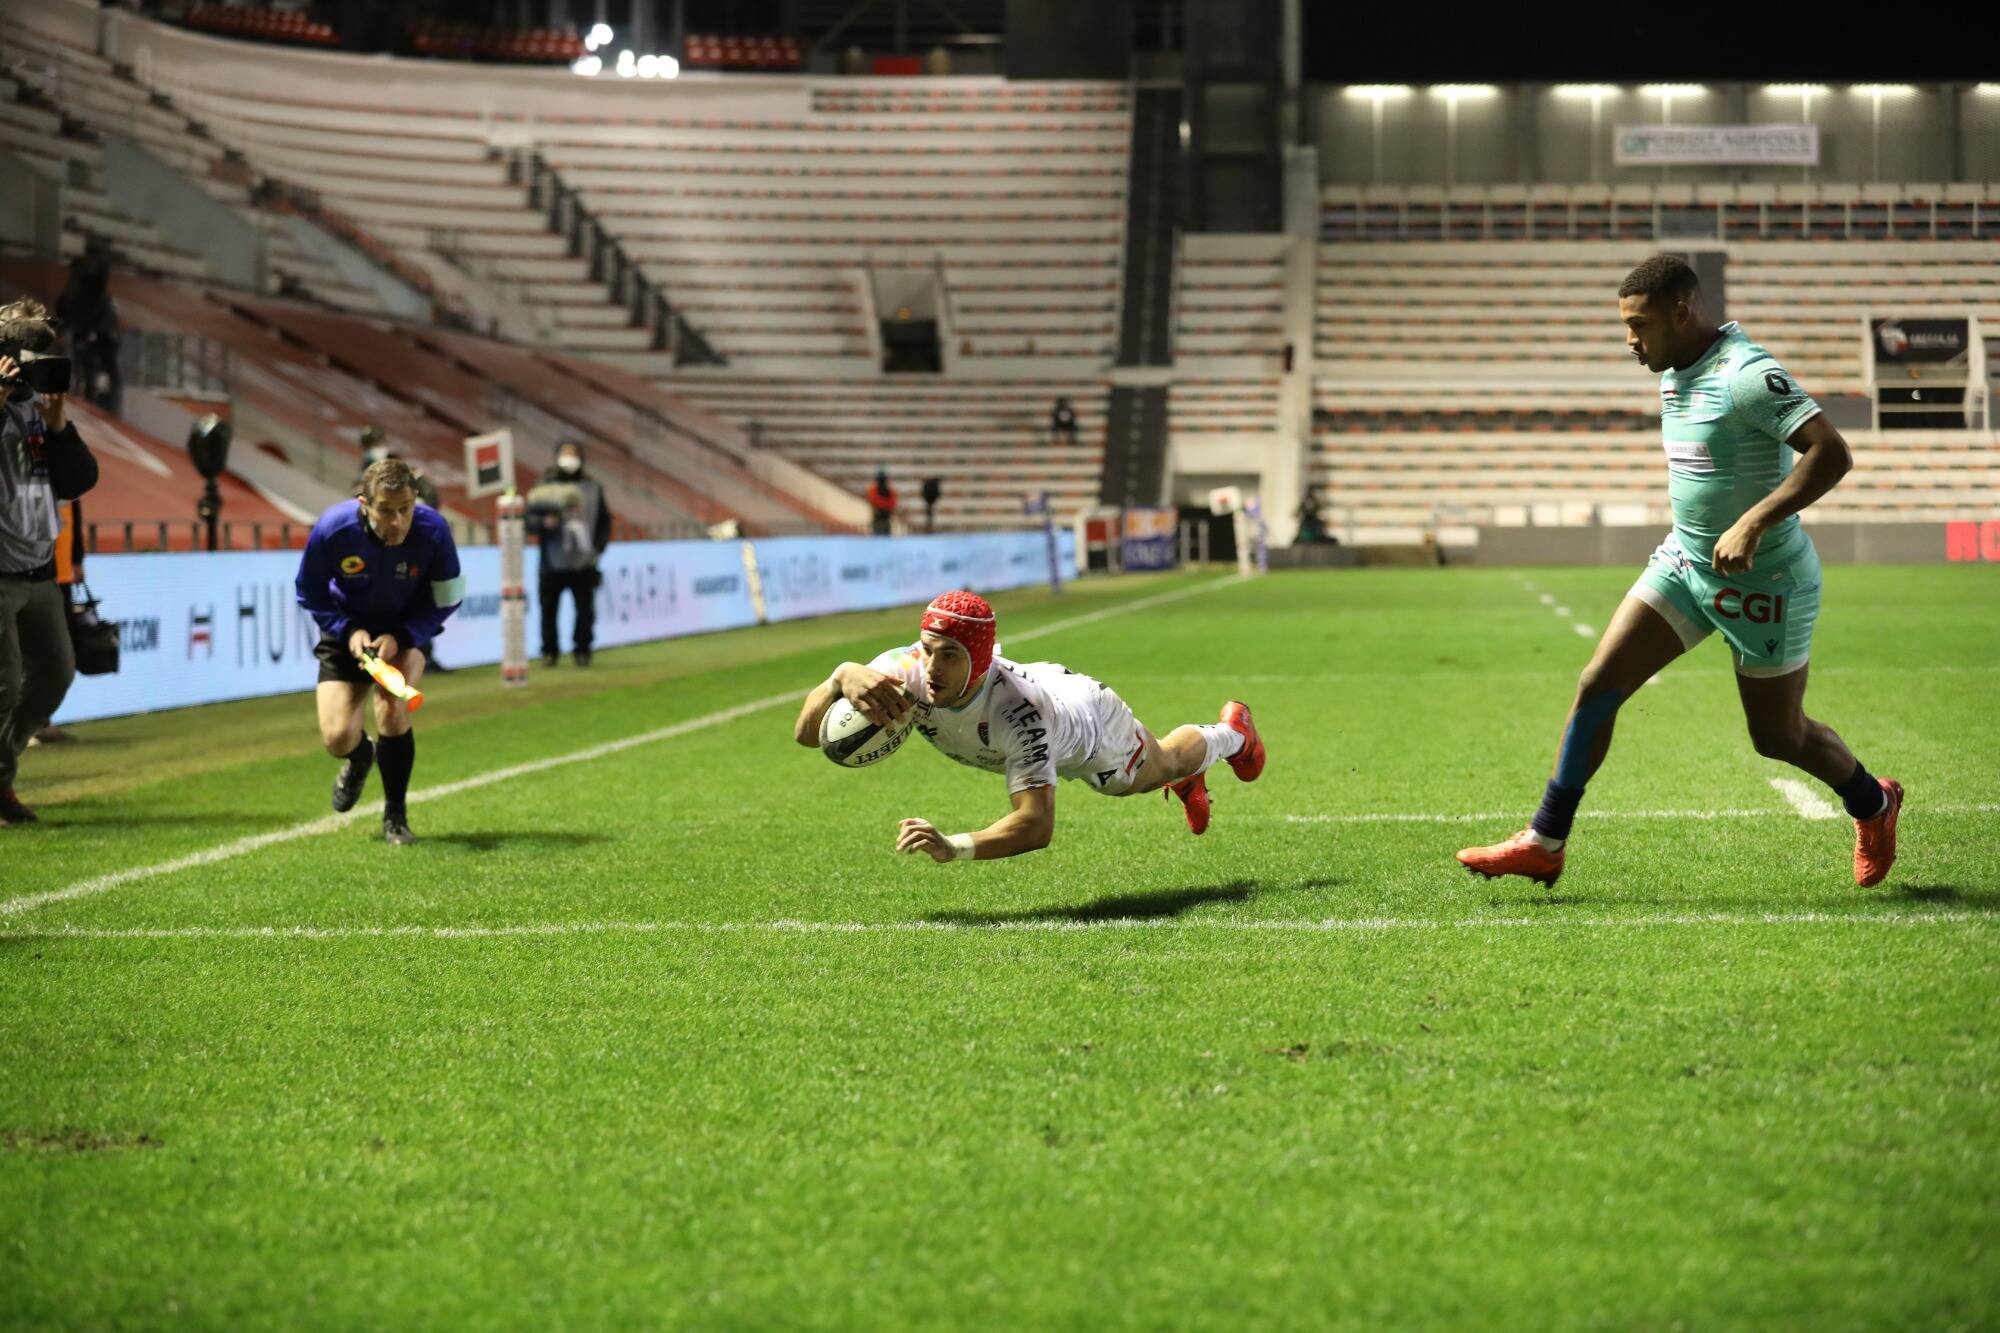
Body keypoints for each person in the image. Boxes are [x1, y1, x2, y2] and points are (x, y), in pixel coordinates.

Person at [1456, 254, 1901, 890]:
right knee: (1598, 683)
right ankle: (1545, 840)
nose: (1630, 342)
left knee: (1778, 736)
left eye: (1639, 326)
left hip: (1765, 582)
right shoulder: (1672, 369)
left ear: (1681, 312)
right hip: (1686, 564)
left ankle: (1874, 803)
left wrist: (1753, 522)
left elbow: (1831, 452)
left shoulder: (1747, 373)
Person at [792, 590, 1268, 860]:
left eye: (950, 655)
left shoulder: (1021, 716)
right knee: (1154, 772)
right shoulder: (900, 671)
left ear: (978, 660)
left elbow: (1036, 825)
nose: (932, 666)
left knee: (1151, 771)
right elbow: (807, 734)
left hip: (1088, 724)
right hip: (1031, 684)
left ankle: (1235, 734)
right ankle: (1197, 772)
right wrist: (838, 678)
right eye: (928, 648)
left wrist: (953, 845)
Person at [294, 457, 464, 845]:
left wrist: (403, 636)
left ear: (415, 500)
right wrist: (348, 630)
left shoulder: (434, 530)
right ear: (364, 504)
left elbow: (448, 598)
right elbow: (309, 591)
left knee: (391, 700)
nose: (397, 521)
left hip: (404, 633)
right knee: (337, 737)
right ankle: (359, 757)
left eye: (405, 509)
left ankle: (396, 818)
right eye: (386, 510)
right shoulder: (332, 530)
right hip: (347, 635)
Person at [0, 299, 98, 824]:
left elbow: (80, 480)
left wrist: (58, 425)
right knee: (6, 683)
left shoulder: (38, 414)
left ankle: (1, 768)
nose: (41, 368)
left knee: (56, 674)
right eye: (33, 357)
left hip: (39, 572)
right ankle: (1, 788)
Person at [528, 439, 612, 668]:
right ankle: (549, 652)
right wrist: (544, 523)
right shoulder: (543, 486)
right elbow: (528, 519)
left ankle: (582, 650)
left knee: (585, 610)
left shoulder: (593, 487)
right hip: (551, 561)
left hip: (584, 561)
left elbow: (604, 521)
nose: (569, 458)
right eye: (565, 453)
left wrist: (598, 547)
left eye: (573, 453)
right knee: (549, 610)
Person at [352, 426, 441, 510]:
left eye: (380, 443)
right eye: (374, 444)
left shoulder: (402, 469)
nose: (379, 447)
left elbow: (431, 498)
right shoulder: (366, 475)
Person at [865, 468, 897, 536]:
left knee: (883, 535)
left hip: (884, 517)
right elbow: (874, 500)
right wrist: (885, 508)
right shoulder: (874, 490)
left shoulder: (889, 491)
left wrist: (884, 508)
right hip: (879, 516)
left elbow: (892, 502)